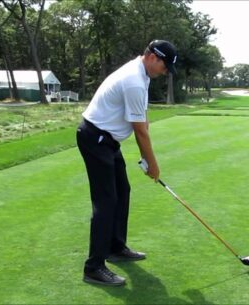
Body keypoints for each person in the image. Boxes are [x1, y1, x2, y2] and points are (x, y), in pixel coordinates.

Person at [76, 40, 177, 286]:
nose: (165, 72)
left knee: (122, 191)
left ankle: (115, 247)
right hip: (95, 138)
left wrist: (147, 152)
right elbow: (139, 131)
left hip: (107, 141)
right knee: (106, 201)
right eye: (165, 67)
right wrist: (152, 164)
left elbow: (142, 117)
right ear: (153, 57)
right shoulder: (133, 79)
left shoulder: (143, 75)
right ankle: (94, 267)